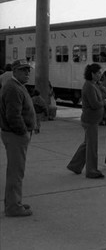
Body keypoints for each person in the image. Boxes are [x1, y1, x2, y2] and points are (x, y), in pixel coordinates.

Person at [0, 59, 36, 217]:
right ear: (14, 72)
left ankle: (14, 202)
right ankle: (13, 207)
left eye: (28, 70)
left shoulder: (17, 86)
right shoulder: (13, 88)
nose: (27, 73)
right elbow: (13, 115)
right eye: (23, 70)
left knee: (15, 170)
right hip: (15, 135)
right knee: (16, 171)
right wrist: (23, 132)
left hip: (15, 135)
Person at [67, 64, 106, 179]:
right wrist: (104, 102)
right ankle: (91, 171)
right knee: (92, 147)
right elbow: (95, 104)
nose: (100, 75)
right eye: (99, 73)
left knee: (87, 144)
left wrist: (101, 88)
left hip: (91, 120)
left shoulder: (93, 85)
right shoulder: (89, 86)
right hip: (90, 120)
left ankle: (75, 165)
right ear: (92, 74)